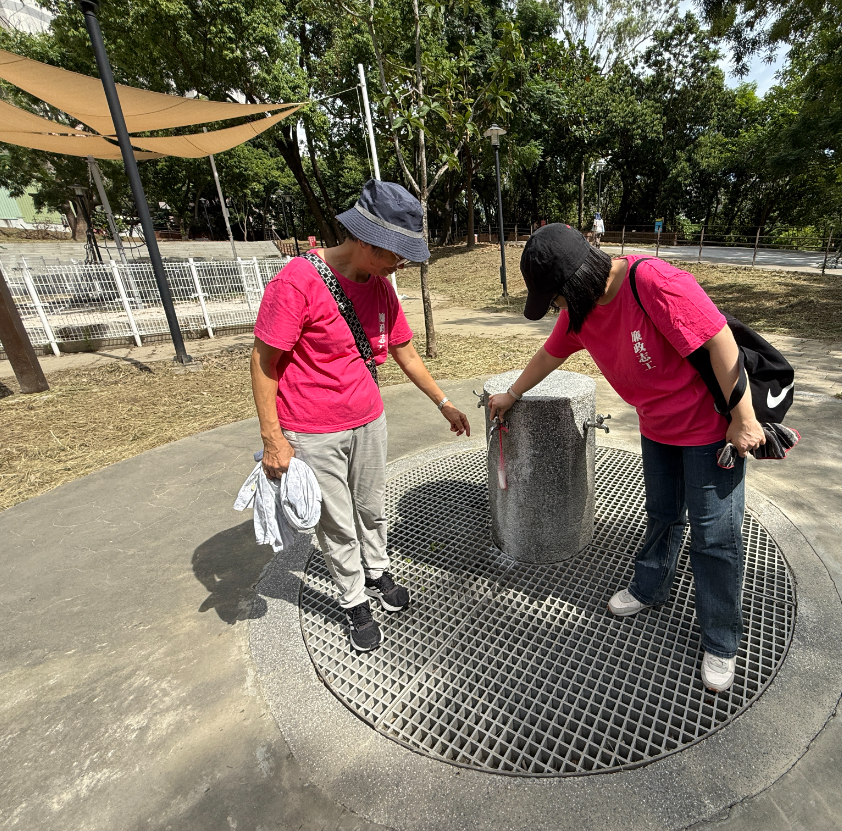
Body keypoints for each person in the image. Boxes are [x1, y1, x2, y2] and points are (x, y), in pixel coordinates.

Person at [487, 224, 765, 691]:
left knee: (715, 538)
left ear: (574, 284)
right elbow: (548, 355)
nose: (556, 309)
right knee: (661, 515)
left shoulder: (653, 282)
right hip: (657, 429)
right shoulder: (579, 311)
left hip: (708, 431)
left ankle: (721, 639)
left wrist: (743, 417)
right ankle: (650, 586)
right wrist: (512, 393)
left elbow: (721, 342)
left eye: (555, 298)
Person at [251, 179, 470, 653]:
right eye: (396, 254)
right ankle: (353, 600)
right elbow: (264, 361)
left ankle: (377, 570)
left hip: (369, 418)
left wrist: (443, 402)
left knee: (370, 505)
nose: (400, 264)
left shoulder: (382, 289)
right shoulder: (297, 282)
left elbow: (405, 353)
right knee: (336, 521)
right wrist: (273, 437)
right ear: (369, 241)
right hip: (312, 429)